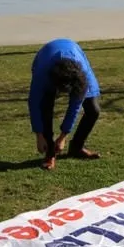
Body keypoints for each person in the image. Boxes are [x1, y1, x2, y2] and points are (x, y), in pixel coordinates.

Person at [28, 39, 102, 170]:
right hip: (46, 58)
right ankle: (50, 152)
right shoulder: (42, 74)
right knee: (45, 105)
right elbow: (34, 103)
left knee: (93, 109)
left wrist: (63, 136)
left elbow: (75, 106)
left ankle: (76, 148)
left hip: (77, 58)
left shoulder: (81, 74)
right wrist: (39, 135)